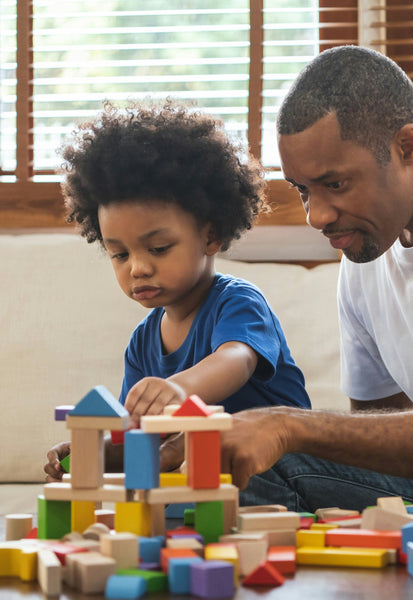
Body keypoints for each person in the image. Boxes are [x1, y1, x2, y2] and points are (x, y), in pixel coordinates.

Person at [164, 44, 413, 512]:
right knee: (239, 466)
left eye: (335, 184)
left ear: (408, 148)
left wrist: (287, 424)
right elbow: (380, 438)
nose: (317, 216)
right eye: (303, 190)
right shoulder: (365, 250)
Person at [44, 99, 311, 482]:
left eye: (158, 248)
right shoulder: (142, 343)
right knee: (148, 490)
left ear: (210, 235)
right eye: (119, 254)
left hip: (279, 467)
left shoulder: (237, 302)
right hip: (197, 477)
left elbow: (236, 360)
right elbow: (135, 438)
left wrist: (176, 389)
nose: (138, 267)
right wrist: (93, 453)